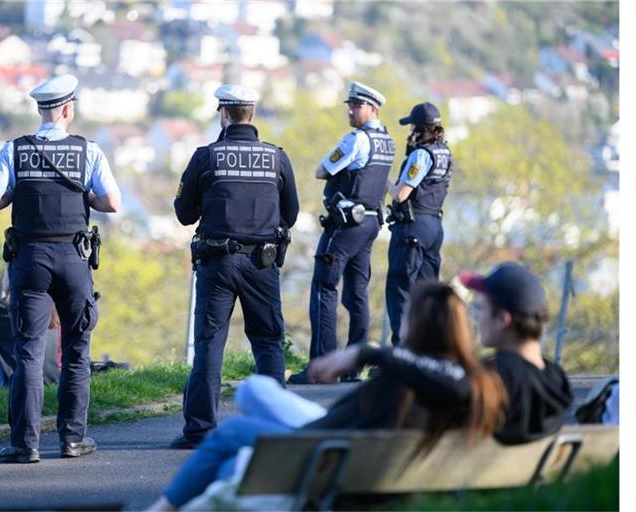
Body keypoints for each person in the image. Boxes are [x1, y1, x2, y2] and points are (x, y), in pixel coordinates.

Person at [149, 282, 508, 510]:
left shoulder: (393, 389)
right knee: (238, 445)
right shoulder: (478, 387)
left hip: (341, 474)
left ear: (415, 326)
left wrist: (372, 354)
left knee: (232, 439)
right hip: (402, 480)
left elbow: (318, 436)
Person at [0, 73, 121, 463]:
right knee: (76, 349)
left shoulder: (15, 150)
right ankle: (73, 440)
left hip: (29, 260)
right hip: (74, 260)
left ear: (42, 110)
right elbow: (112, 202)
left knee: (28, 351)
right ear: (66, 109)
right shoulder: (87, 150)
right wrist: (85, 194)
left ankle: (24, 446)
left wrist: (16, 192)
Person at [172, 84, 300, 449]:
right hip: (263, 263)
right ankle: (277, 427)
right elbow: (290, 214)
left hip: (217, 262)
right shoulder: (277, 157)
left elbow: (184, 214)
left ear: (223, 113)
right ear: (252, 114)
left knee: (210, 345)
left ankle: (199, 430)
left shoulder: (206, 157)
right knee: (268, 343)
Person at [289, 82, 396, 384]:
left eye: (356, 106)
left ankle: (321, 368)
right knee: (356, 295)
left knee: (324, 289)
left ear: (372, 108)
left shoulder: (357, 140)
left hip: (347, 224)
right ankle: (353, 365)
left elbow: (321, 171)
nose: (350, 110)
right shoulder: (387, 141)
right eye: (349, 105)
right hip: (371, 222)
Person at [460, 262, 573, 443]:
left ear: (503, 319)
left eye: (480, 308)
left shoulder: (492, 378)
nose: (476, 317)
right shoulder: (557, 381)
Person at [385, 102, 453, 347]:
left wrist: (385, 182)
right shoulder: (444, 152)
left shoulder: (421, 155)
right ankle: (429, 349)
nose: (410, 132)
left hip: (413, 227)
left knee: (401, 289)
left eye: (412, 126)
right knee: (427, 293)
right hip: (434, 226)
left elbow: (401, 194)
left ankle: (402, 351)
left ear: (420, 128)